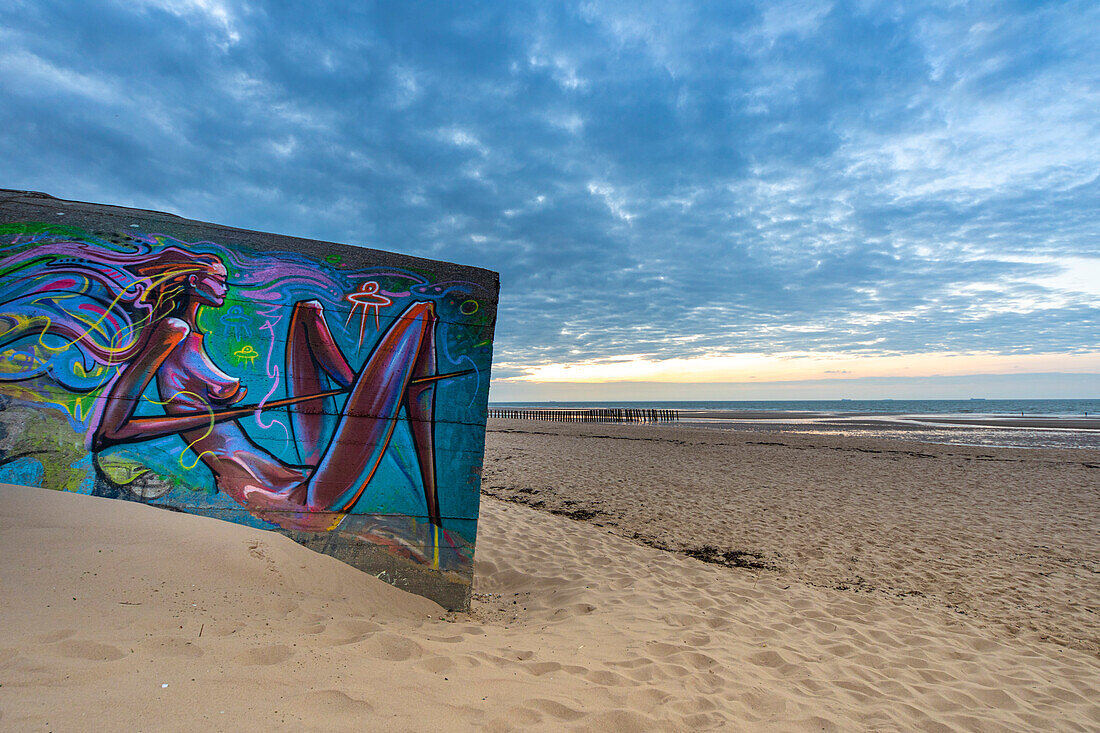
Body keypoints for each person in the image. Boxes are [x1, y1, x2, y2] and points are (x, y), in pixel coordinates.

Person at [3, 242, 448, 529]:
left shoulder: (188, 335)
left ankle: (369, 395)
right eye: (217, 277)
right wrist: (218, 413)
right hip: (292, 502)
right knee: (420, 314)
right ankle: (431, 504)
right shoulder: (170, 332)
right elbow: (108, 433)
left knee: (309, 311)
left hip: (289, 475)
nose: (225, 283)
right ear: (194, 281)